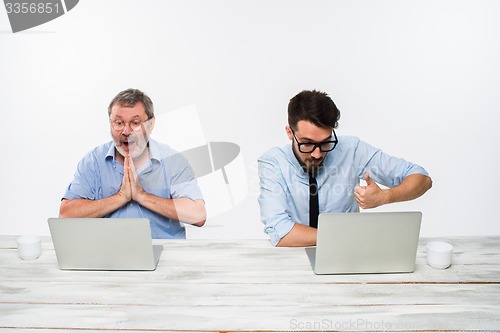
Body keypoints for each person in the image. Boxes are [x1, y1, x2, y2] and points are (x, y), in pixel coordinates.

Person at [258, 90, 432, 247]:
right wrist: (342, 236)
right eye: (308, 143)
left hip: (348, 256)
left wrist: (385, 197)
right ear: (290, 133)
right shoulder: (272, 163)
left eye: (326, 142)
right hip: (295, 257)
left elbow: (422, 178)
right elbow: (280, 232)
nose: (317, 154)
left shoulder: (352, 150)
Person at [59, 88, 206, 238]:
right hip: (108, 256)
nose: (126, 131)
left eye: (135, 123)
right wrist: (121, 197)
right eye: (119, 123)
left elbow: (198, 215)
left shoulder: (173, 161)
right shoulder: (93, 161)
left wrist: (141, 196)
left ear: (150, 124)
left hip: (164, 255)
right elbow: (66, 214)